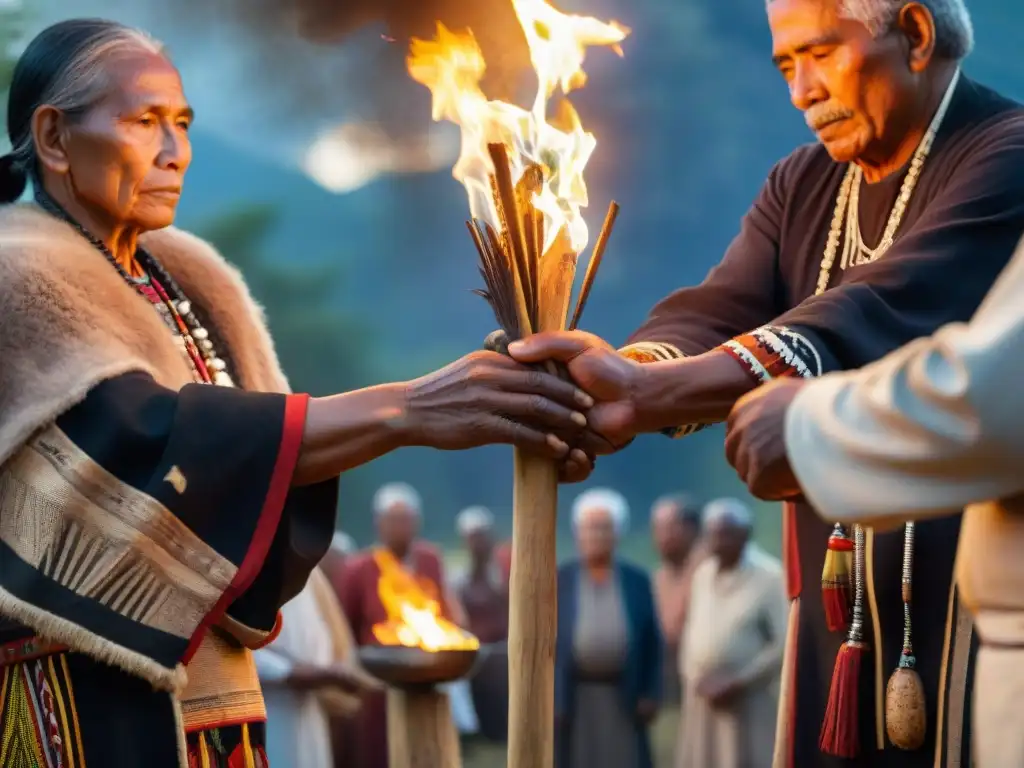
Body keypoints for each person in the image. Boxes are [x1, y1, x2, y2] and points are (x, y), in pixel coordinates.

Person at [0, 19, 602, 768]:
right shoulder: (18, 277)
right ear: (54, 139)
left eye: (182, 123)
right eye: (142, 121)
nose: (173, 151)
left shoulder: (185, 278)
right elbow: (149, 439)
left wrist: (474, 398)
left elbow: (260, 460)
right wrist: (414, 408)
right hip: (81, 690)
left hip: (215, 689)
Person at [509, 0, 1024, 765]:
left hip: (969, 589)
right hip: (831, 581)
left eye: (819, 54)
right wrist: (629, 373)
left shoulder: (1007, 151)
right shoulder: (802, 180)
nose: (800, 91)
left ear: (914, 35)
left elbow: (876, 307)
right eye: (786, 65)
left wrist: (645, 397)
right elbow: (715, 310)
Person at [723, 234, 1024, 766]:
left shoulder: (995, 159)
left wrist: (808, 424)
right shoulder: (795, 183)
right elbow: (717, 304)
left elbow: (997, 394)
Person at [340, 482, 456, 768]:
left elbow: (444, 615)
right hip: (378, 683)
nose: (399, 526)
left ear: (416, 522)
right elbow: (346, 627)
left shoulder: (429, 560)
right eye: (392, 519)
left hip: (427, 677)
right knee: (381, 753)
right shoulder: (360, 568)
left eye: (405, 519)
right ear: (378, 523)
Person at [555, 488, 662, 768]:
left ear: (618, 533)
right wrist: (551, 696)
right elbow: (544, 645)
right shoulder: (560, 580)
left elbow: (652, 641)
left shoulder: (636, 581)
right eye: (589, 528)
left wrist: (651, 692)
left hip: (623, 694)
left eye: (604, 528)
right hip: (576, 696)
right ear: (577, 532)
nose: (596, 536)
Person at [678, 499, 787, 768]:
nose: (718, 541)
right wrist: (695, 677)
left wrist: (738, 681)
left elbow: (783, 642)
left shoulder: (769, 576)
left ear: (745, 534)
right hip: (702, 697)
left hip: (747, 699)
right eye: (713, 534)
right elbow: (691, 633)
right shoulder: (702, 574)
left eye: (726, 534)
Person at [255, 567, 377, 768]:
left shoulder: (306, 566)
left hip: (312, 709)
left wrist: (332, 672)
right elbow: (229, 646)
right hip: (269, 709)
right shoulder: (247, 563)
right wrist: (289, 672)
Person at [451, 506, 510, 743]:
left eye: (482, 537)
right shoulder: (457, 577)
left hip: (503, 646)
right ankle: (469, 731)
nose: (478, 544)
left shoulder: (504, 573)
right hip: (470, 648)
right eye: (472, 538)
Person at [650, 493, 706, 705]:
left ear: (692, 529)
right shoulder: (659, 578)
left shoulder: (710, 571)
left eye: (670, 528)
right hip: (669, 684)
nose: (662, 537)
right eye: (657, 529)